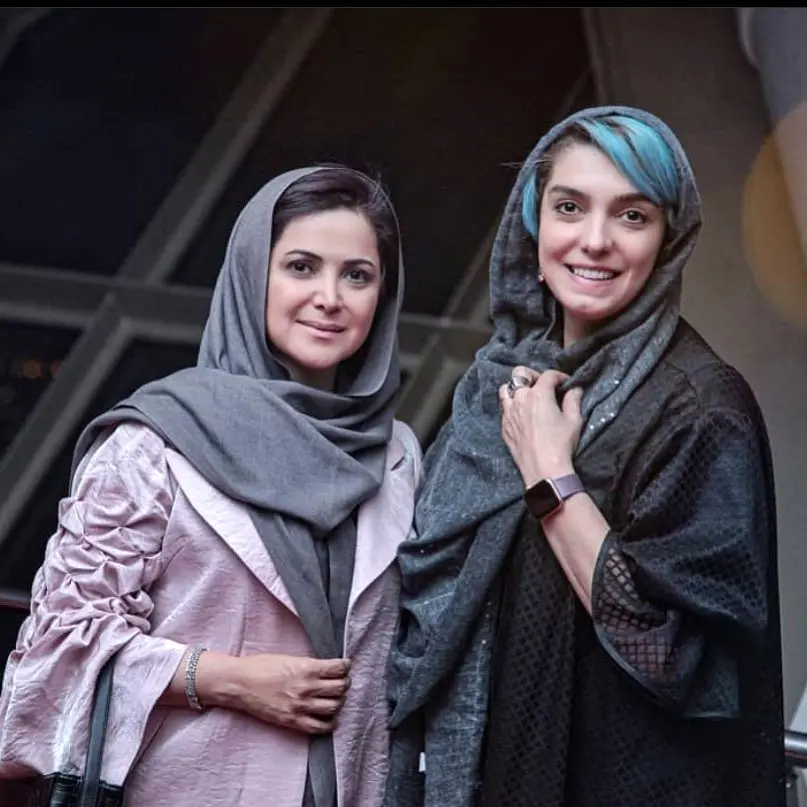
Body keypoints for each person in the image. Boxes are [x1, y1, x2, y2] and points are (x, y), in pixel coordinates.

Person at [383, 106, 786, 807]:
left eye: (632, 216)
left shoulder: (697, 409)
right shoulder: (497, 391)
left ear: (667, 240)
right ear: (532, 224)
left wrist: (550, 477)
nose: (594, 241)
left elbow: (673, 656)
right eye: (569, 207)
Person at [0, 164, 422, 807]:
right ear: (253, 275)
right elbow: (59, 648)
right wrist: (229, 680)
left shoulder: (397, 456)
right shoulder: (152, 444)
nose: (330, 297)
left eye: (357, 275)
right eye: (301, 267)